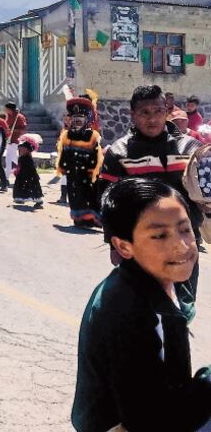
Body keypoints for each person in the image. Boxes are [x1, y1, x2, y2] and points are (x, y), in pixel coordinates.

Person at [71, 178, 211, 432]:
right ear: (124, 246)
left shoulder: (176, 272)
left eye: (184, 229)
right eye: (159, 235)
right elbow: (148, 420)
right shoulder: (124, 310)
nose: (182, 246)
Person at [96, 85, 202, 293]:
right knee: (144, 312)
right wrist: (112, 242)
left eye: (158, 111)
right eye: (144, 113)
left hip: (184, 245)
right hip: (140, 249)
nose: (152, 119)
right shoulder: (119, 152)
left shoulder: (191, 149)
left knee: (182, 310)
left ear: (167, 110)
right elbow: (107, 203)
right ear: (133, 115)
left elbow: (204, 193)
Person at [57, 96, 103, 228]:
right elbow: (64, 152)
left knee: (90, 194)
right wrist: (63, 167)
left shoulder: (92, 135)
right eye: (75, 119)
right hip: (73, 172)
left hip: (88, 172)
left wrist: (93, 168)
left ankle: (93, 219)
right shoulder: (67, 135)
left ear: (86, 120)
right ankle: (79, 219)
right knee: (75, 195)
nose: (77, 121)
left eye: (80, 119)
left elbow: (96, 153)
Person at [12, 136, 43, 207]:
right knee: (20, 186)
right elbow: (19, 166)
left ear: (27, 150)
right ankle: (20, 198)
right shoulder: (21, 158)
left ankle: (38, 200)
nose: (20, 151)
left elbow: (31, 169)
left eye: (22, 149)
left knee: (33, 188)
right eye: (19, 149)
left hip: (29, 177)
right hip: (22, 176)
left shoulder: (28, 159)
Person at [3, 102, 27, 181]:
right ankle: (24, 172)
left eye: (6, 109)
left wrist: (13, 130)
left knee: (9, 159)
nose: (5, 110)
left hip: (16, 140)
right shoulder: (8, 116)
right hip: (10, 140)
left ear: (10, 109)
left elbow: (23, 129)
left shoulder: (19, 117)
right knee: (14, 159)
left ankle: (5, 179)